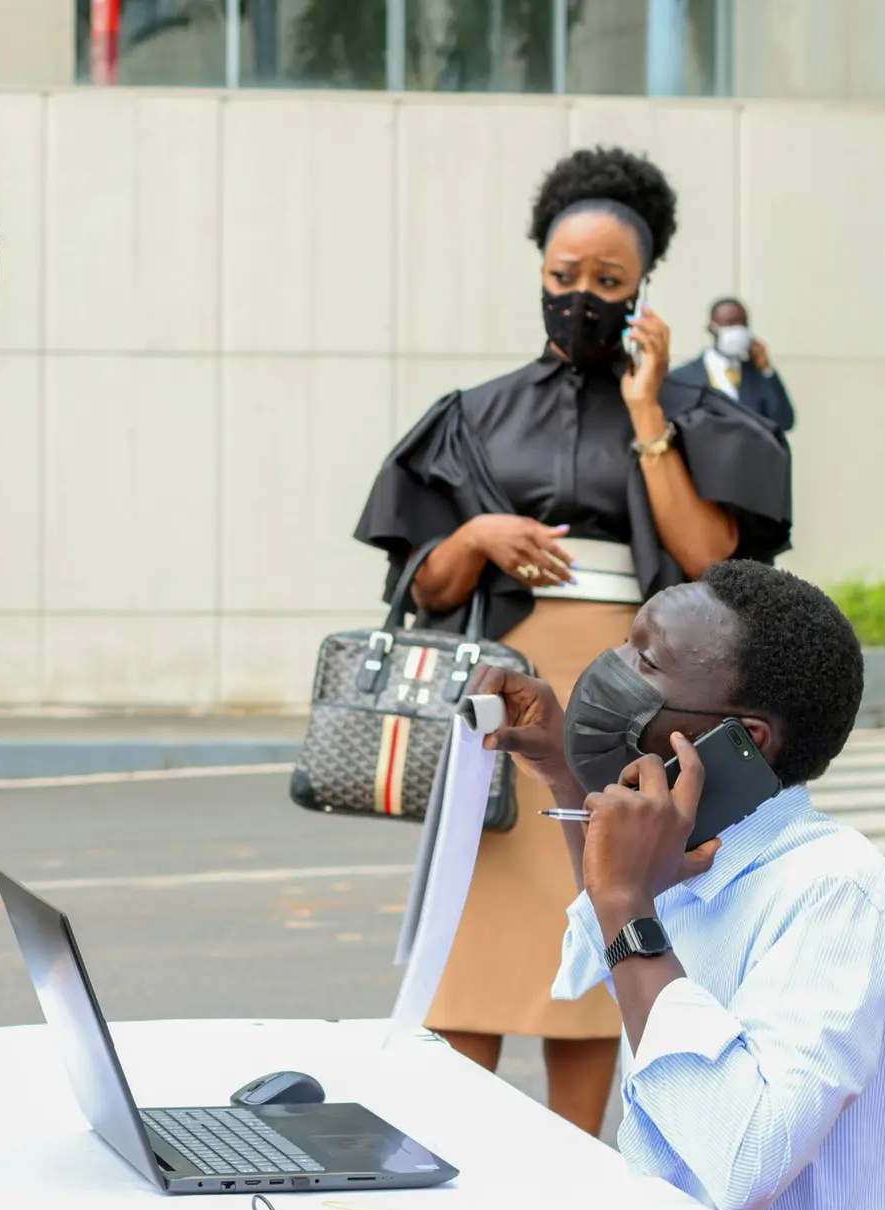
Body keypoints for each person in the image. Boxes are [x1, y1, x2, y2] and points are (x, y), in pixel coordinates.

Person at [352, 146, 792, 1135]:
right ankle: (452, 1146)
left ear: (643, 288)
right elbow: (417, 584)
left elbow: (707, 553)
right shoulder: (474, 418)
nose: (580, 297)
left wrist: (647, 411)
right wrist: (472, 535)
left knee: (603, 918)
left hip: (635, 702)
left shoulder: (690, 414)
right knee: (477, 935)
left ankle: (580, 1157)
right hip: (497, 699)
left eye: (607, 282)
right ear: (538, 271)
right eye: (562, 278)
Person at [472, 561, 885, 1210]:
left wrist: (628, 902)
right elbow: (610, 948)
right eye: (627, 645)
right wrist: (571, 777)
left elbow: (743, 1158)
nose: (610, 670)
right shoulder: (688, 852)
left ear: (742, 738)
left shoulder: (837, 891)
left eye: (646, 660)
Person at [669, 297, 796, 432]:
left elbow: (785, 421)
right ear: (712, 328)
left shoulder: (756, 374)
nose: (736, 330)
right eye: (729, 324)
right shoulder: (683, 377)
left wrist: (766, 369)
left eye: (742, 324)